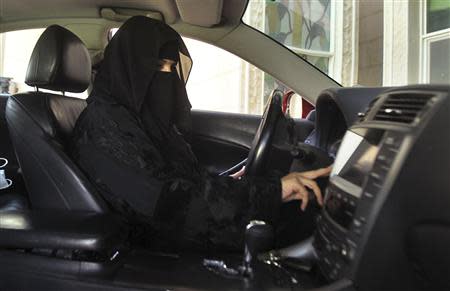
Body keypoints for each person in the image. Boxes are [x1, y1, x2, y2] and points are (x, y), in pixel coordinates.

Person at [70, 16, 331, 252]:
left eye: (173, 67)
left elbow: (179, 182)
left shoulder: (138, 119)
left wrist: (234, 183)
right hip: (154, 253)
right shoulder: (103, 127)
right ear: (131, 67)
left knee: (306, 207)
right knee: (304, 221)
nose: (169, 77)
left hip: (178, 230)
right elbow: (170, 203)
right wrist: (272, 192)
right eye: (160, 66)